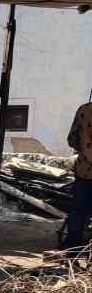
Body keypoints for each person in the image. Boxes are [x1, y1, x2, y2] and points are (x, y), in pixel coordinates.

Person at [64, 99, 92, 250]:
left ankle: (71, 253)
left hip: (84, 172)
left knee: (78, 213)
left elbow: (71, 139)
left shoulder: (84, 110)